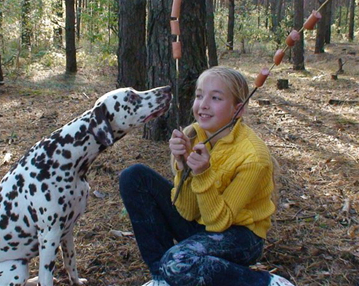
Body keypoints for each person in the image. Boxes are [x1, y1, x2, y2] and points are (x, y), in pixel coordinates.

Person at [119, 66, 294, 286]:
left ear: (238, 110)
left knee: (178, 261)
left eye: (216, 98)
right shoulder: (193, 135)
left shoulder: (253, 157)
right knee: (134, 177)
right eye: (199, 96)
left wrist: (202, 174)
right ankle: (162, 278)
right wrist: (183, 166)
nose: (203, 105)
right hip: (202, 224)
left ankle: (263, 282)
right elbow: (188, 211)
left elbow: (219, 222)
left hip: (240, 236)